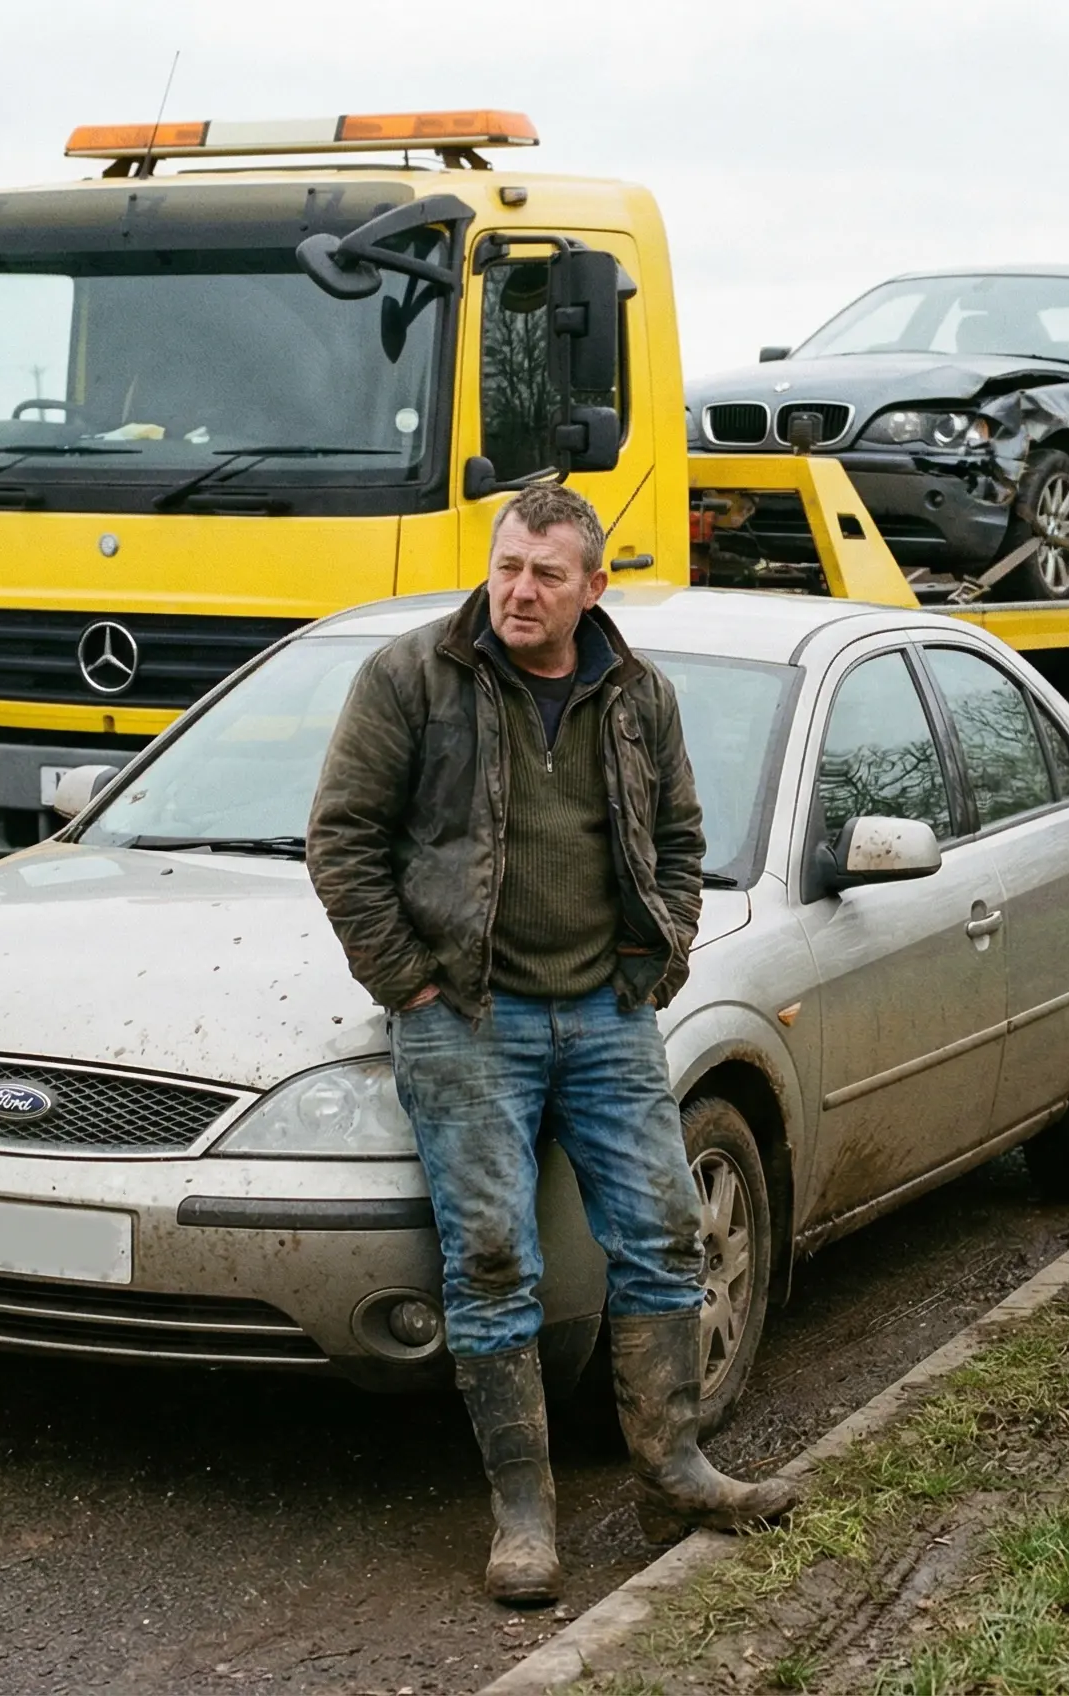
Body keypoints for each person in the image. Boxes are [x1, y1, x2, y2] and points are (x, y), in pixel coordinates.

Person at [306, 482, 800, 1605]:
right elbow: (341, 839)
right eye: (506, 566)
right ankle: (524, 1514)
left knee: (666, 1235)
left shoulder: (636, 695)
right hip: (466, 1022)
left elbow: (679, 836)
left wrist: (658, 958)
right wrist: (410, 986)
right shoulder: (410, 679)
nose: (517, 590)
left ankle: (672, 1472)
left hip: (607, 1016)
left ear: (591, 587)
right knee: (490, 1264)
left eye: (544, 574)